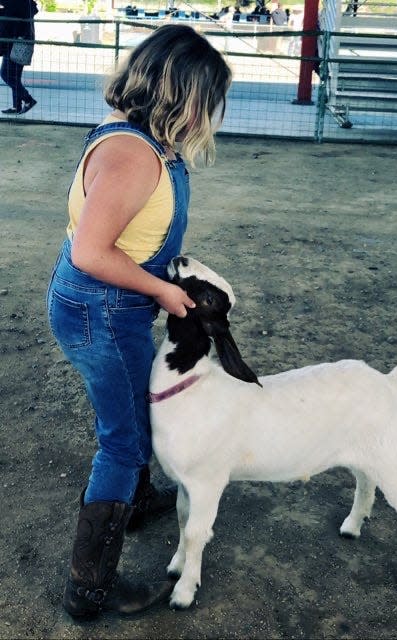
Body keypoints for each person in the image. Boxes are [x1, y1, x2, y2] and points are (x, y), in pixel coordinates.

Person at [46, 24, 231, 619]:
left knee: (132, 407)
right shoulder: (131, 156)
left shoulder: (143, 137)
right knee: (123, 442)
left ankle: (138, 498)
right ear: (183, 94)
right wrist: (165, 292)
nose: (213, 115)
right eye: (209, 99)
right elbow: (91, 252)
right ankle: (90, 587)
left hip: (106, 303)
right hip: (102, 306)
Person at [0, 0, 38, 115]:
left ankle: (28, 99)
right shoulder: (25, 3)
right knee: (14, 76)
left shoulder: (17, 3)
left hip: (15, 42)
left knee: (6, 75)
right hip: (20, 41)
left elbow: (11, 15)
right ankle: (16, 106)